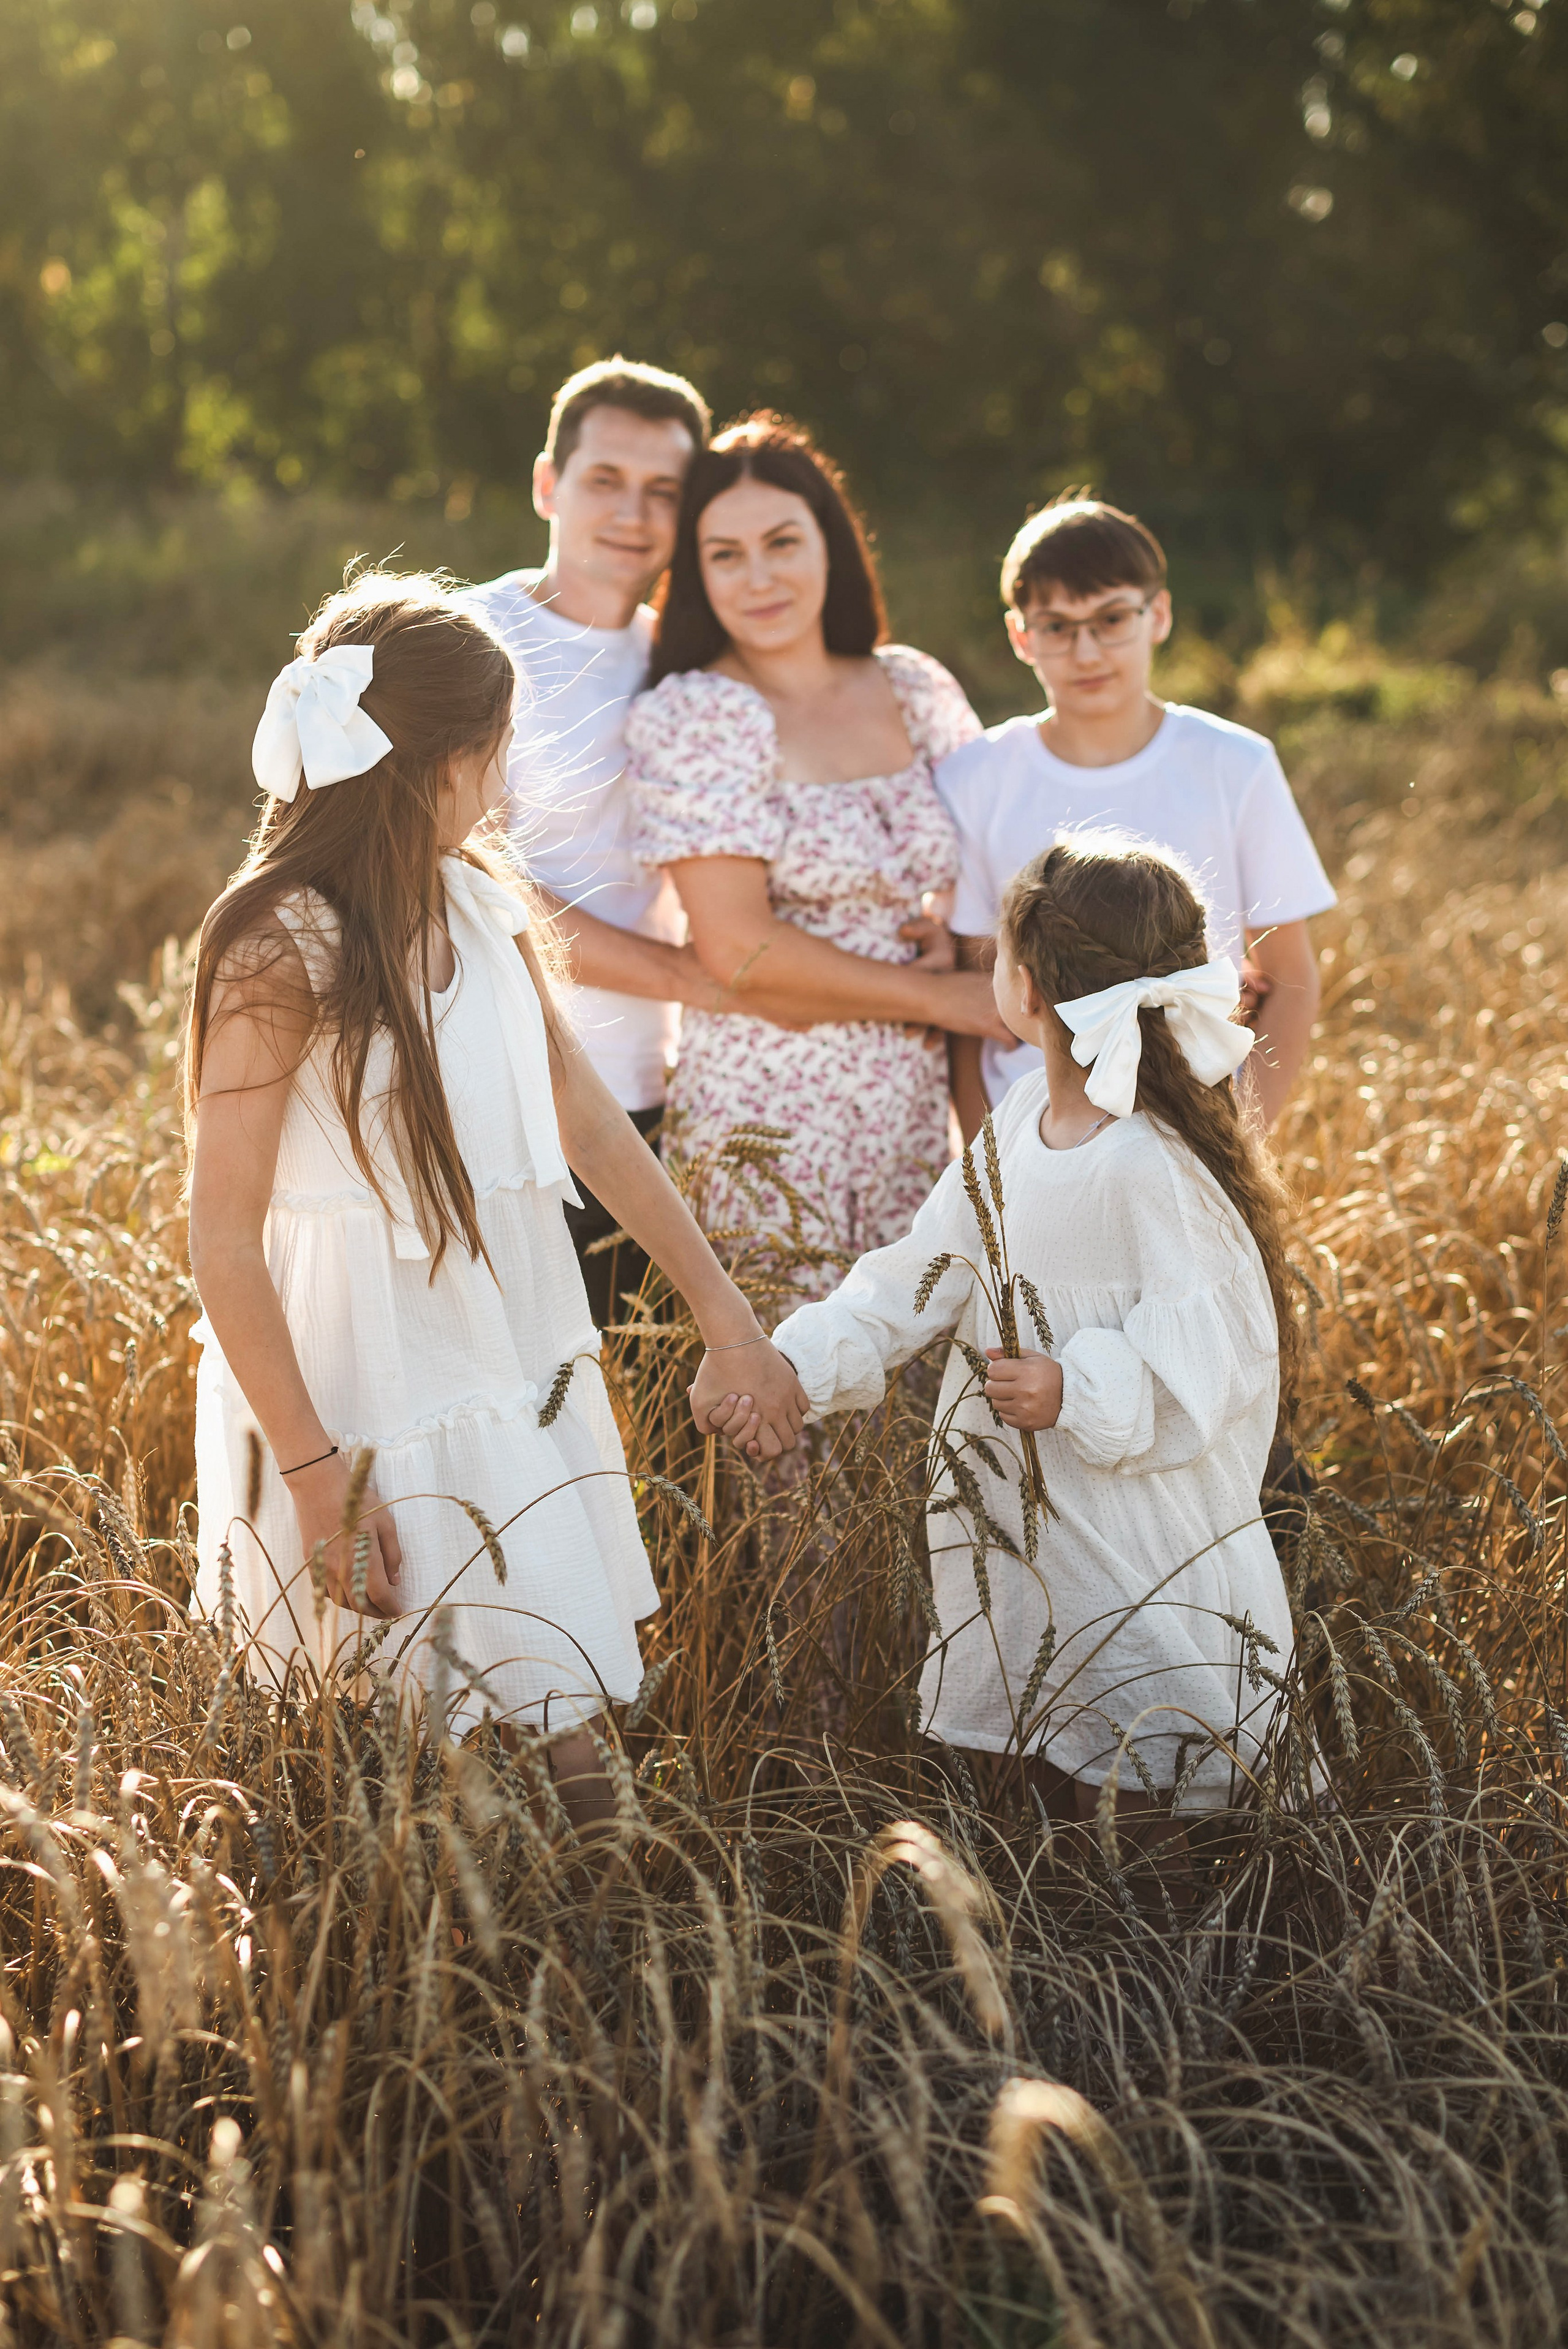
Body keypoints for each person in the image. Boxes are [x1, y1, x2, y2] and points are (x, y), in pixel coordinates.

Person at [185, 574, 806, 1831]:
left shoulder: (481, 906)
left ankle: (609, 1907)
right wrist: (314, 1473)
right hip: (348, 1390)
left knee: (553, 1677)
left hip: (501, 1357)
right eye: (502, 749)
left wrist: (727, 1319)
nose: (510, 780)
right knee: (367, 1740)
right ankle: (443, 1930)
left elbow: (592, 1125)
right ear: (443, 766)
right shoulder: (279, 944)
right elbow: (223, 1241)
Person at [735, 835, 1298, 1845]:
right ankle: (1072, 1938)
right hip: (1031, 1533)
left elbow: (1219, 1355)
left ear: (1027, 987)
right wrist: (794, 1366)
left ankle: (1166, 1948)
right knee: (1060, 1761)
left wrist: (1078, 1389)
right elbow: (922, 1269)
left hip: (1135, 1541)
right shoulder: (1022, 1116)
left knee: (1140, 1772)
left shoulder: (1150, 1162)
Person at [624, 413, 1013, 1297]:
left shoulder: (912, 686)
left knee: (921, 1353)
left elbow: (994, 864)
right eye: (725, 554)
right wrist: (942, 997)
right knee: (794, 1361)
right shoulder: (700, 714)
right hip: (771, 1118)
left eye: (782, 542)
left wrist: (957, 936)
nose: (759, 577)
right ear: (696, 572)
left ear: (831, 542)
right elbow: (738, 947)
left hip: (917, 1112)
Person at [469, 356, 793, 1326]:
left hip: (645, 1093)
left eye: (663, 491)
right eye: (605, 479)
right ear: (547, 484)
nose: (632, 513)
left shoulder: (690, 665)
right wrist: (702, 980)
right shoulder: (467, 638)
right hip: (486, 1087)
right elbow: (472, 888)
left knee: (636, 1397)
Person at [940, 494, 1336, 1141]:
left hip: (1194, 1124)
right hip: (1029, 1128)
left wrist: (1239, 1144)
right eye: (1057, 626)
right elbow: (969, 989)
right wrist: (987, 1164)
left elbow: (1291, 977)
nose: (1087, 650)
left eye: (1111, 618)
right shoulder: (973, 777)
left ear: (1159, 614)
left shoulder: (1235, 763)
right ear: (1020, 635)